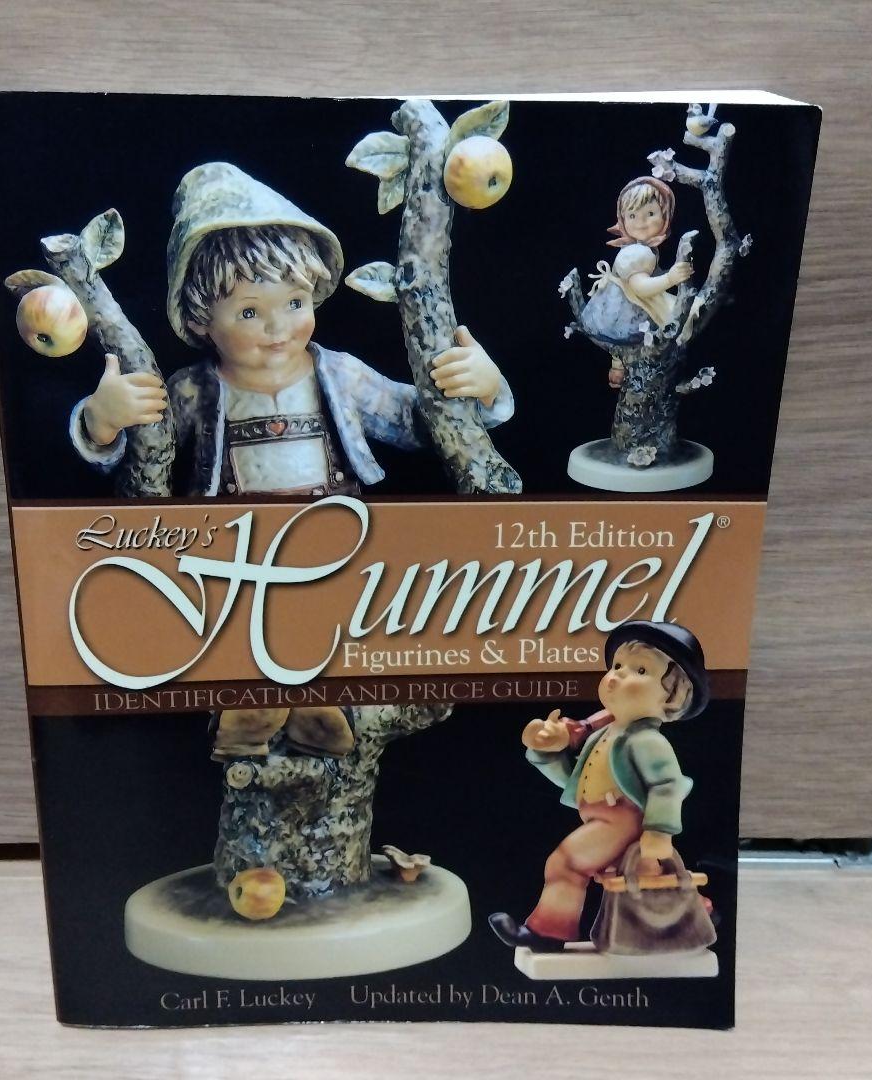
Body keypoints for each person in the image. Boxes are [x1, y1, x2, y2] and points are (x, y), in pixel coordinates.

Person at [68, 161, 514, 758]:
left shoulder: (341, 375)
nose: (278, 328)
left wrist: (482, 390)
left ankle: (319, 713)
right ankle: (246, 714)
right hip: (238, 548)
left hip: (334, 538)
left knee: (328, 621)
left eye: (295, 301)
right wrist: (101, 420)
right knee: (243, 626)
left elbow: (418, 421)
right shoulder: (193, 390)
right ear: (202, 320)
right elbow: (142, 449)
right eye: (249, 312)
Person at [489, 620, 709, 951]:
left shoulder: (646, 741)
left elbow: (667, 785)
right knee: (643, 879)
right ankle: (702, 913)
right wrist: (546, 751)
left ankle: (547, 933)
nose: (617, 676)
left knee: (565, 862)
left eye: (639, 670)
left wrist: (659, 831)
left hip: (620, 823)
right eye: (617, 666)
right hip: (600, 819)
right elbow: (575, 782)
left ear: (673, 696)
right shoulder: (605, 735)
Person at [563, 175, 693, 386]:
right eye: (632, 215)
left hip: (620, 310)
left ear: (666, 216)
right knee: (641, 332)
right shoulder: (635, 253)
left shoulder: (643, 249)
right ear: (622, 219)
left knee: (629, 341)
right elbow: (640, 287)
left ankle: (619, 365)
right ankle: (622, 364)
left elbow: (649, 276)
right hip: (625, 312)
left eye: (650, 214)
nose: (641, 223)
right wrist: (670, 278)